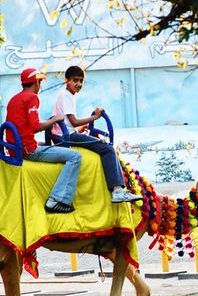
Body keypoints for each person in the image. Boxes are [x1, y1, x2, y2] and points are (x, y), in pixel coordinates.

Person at [50, 65, 141, 204]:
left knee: (101, 144)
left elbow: (70, 123)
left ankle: (119, 189)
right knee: (107, 149)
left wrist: (82, 127)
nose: (79, 84)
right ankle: (117, 191)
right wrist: (95, 117)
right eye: (75, 80)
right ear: (66, 80)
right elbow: (73, 122)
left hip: (66, 133)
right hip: (66, 137)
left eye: (81, 81)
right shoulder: (66, 95)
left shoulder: (67, 95)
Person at [6, 67, 82, 214]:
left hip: (15, 147)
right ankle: (58, 200)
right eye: (39, 82)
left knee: (47, 145)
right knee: (75, 157)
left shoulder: (15, 99)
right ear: (36, 83)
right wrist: (55, 119)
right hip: (27, 150)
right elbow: (35, 127)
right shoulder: (32, 98)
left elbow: (24, 124)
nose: (40, 85)